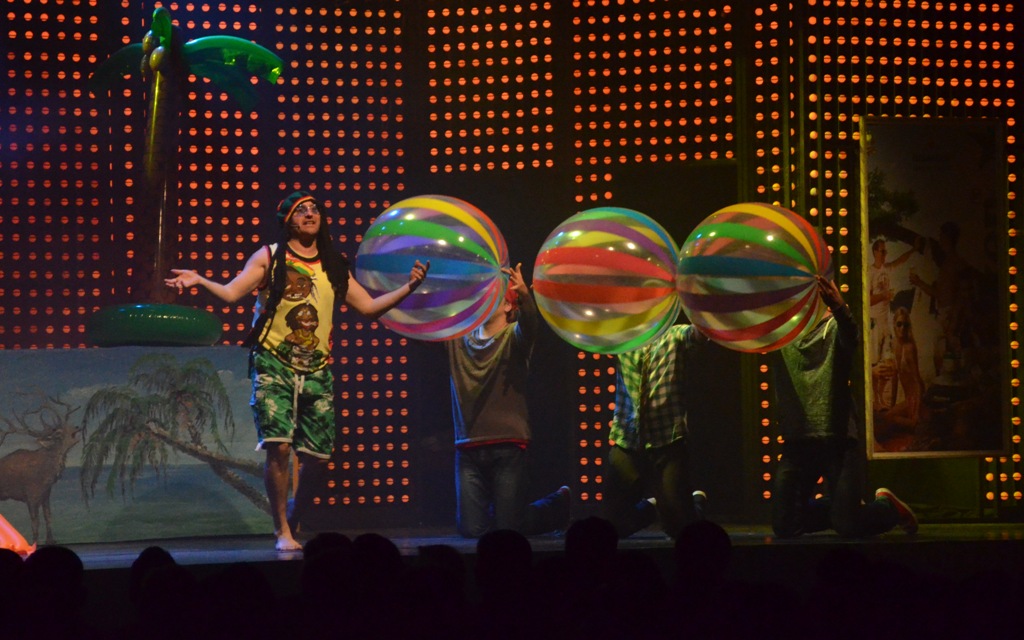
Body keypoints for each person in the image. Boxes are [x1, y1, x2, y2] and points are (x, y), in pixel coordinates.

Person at [165, 191, 428, 551]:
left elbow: (368, 308)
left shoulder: (333, 265)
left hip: (317, 367)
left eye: (314, 209)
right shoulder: (270, 256)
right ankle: (282, 532)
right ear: (288, 221)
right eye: (301, 210)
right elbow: (231, 293)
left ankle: (294, 511)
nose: (309, 214)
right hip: (273, 360)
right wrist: (200, 280)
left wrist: (410, 287)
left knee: (318, 458)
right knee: (279, 448)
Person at [771, 276, 918, 539]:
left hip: (837, 441)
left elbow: (851, 338)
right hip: (798, 441)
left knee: (847, 526)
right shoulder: (780, 332)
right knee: (785, 525)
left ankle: (887, 508)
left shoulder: (832, 326)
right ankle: (844, 506)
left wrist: (839, 308)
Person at [446, 262, 570, 538]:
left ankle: (556, 505)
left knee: (509, 530)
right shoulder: (457, 339)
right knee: (472, 529)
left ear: (506, 306)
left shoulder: (513, 337)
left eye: (492, 296)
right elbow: (423, 330)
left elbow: (530, 323)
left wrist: (525, 295)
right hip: (468, 446)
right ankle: (510, 512)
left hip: (508, 446)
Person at [605, 322, 709, 540]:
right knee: (611, 524)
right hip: (628, 438)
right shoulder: (623, 338)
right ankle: (653, 508)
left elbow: (698, 333)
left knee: (680, 527)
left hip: (666, 440)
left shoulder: (674, 335)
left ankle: (695, 507)